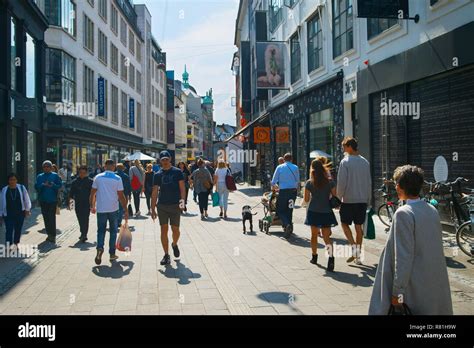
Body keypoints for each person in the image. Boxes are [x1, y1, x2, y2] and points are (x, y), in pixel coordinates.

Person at [369, 165, 453, 315]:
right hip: (433, 283)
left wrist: (398, 293)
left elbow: (403, 257)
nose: (395, 186)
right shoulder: (431, 210)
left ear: (400, 187)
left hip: (413, 285)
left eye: (396, 183)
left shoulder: (404, 214)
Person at [336, 137, 371, 265]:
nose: (343, 149)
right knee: (358, 227)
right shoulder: (365, 162)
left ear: (350, 146)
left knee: (344, 224)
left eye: (344, 147)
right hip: (362, 200)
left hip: (348, 200)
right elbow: (368, 182)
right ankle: (358, 257)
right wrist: (368, 199)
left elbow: (341, 183)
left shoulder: (345, 162)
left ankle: (353, 247)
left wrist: (338, 198)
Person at [90, 159, 129, 265]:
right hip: (113, 209)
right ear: (114, 166)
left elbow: (92, 193)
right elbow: (121, 195)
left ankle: (99, 249)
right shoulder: (117, 178)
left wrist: (92, 206)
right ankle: (112, 253)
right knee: (113, 231)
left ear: (105, 166)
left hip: (101, 209)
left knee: (101, 231)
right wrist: (125, 209)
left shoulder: (97, 177)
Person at [150, 151, 186, 266]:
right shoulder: (157, 174)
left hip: (175, 205)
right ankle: (166, 255)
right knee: (163, 230)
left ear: (170, 159)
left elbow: (182, 189)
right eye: (163, 159)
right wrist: (152, 208)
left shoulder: (177, 172)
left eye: (166, 159)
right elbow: (155, 191)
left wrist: (182, 203)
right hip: (162, 206)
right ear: (160, 160)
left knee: (176, 230)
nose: (165, 161)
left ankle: (174, 244)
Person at [303, 159, 337, 271]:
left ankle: (314, 257)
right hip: (326, 211)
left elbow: (306, 199)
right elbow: (334, 196)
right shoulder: (330, 182)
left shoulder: (309, 182)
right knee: (327, 237)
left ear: (312, 169)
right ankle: (331, 259)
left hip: (313, 211)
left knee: (314, 236)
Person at [271, 153, 300, 238]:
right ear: (291, 159)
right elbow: (298, 181)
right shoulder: (296, 167)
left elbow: (273, 181)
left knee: (280, 210)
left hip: (283, 192)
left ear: (284, 159)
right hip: (293, 192)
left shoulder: (279, 167)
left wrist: (275, 187)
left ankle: (287, 224)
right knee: (289, 209)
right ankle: (289, 228)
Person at [0, 173, 32, 249]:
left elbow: (26, 198)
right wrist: (1, 214)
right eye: (11, 180)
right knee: (9, 230)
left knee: (18, 229)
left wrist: (27, 209)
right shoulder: (4, 190)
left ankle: (16, 243)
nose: (12, 181)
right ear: (8, 181)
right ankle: (9, 245)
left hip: (20, 213)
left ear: (16, 180)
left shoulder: (21, 187)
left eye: (14, 179)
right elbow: (1, 202)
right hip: (8, 213)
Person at [35, 160, 63, 243]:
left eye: (48, 166)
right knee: (46, 218)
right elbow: (36, 187)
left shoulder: (55, 176)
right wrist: (43, 185)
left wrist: (53, 185)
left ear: (51, 168)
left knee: (51, 217)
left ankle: (53, 235)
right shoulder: (40, 176)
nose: (46, 168)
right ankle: (49, 234)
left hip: (52, 200)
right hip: (43, 200)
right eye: (45, 167)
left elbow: (60, 185)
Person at [68, 165, 93, 242]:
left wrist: (93, 204)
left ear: (86, 173)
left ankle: (84, 234)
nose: (82, 174)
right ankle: (82, 232)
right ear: (78, 173)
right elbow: (71, 194)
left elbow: (93, 194)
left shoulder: (90, 181)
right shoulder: (75, 182)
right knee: (80, 218)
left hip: (87, 203)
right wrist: (70, 205)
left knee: (85, 219)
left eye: (84, 173)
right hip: (78, 203)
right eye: (80, 173)